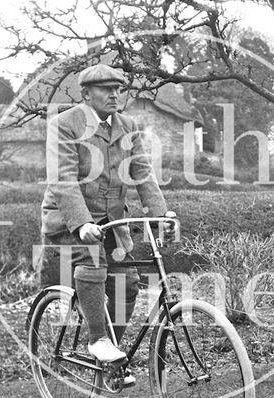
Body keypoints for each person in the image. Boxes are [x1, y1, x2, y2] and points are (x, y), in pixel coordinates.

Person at [40, 63, 173, 374]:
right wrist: (83, 223)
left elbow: (142, 173)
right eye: (105, 89)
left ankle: (112, 357)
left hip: (112, 222)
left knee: (127, 283)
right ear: (86, 93)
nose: (114, 94)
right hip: (69, 221)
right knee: (93, 263)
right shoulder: (65, 124)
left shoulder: (128, 126)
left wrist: (160, 213)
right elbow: (63, 179)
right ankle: (98, 339)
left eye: (117, 89)